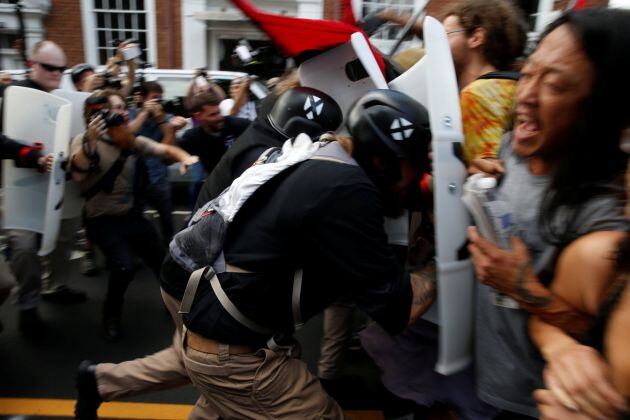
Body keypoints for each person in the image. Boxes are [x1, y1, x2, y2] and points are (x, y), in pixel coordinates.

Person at [73, 86, 341, 420]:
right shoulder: (269, 152)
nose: (120, 117)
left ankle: (98, 382)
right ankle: (100, 378)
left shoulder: (254, 135)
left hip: (195, 272)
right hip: (203, 277)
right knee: (224, 360)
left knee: (202, 361)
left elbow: (161, 149)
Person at [178, 89, 434, 418]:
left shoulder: (322, 157)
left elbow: (399, 198)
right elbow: (399, 311)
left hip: (217, 340)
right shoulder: (349, 190)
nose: (416, 178)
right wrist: (443, 265)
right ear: (382, 161)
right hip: (237, 357)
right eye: (412, 166)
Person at [466, 9, 630, 418]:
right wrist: (471, 177)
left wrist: (521, 286)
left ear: (602, 108)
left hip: (539, 400)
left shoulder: (605, 215)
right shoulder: (510, 148)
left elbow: (604, 333)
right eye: (530, 72)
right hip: (484, 372)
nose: (526, 94)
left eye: (554, 84)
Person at [69, 89, 198, 342]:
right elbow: (78, 173)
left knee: (164, 261)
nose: (120, 113)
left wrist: (184, 157)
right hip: (101, 220)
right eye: (112, 109)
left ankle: (174, 306)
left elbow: (161, 149)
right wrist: (91, 141)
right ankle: (111, 315)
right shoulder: (82, 140)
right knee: (124, 267)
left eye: (121, 107)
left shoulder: (128, 140)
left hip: (130, 217)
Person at [0, 40, 86, 335]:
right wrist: (33, 156)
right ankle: (28, 306)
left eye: (61, 69)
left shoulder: (67, 101)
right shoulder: (8, 97)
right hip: (20, 188)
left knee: (63, 241)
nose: (56, 74)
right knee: (24, 248)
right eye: (49, 67)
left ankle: (56, 285)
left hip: (60, 187)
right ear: (31, 64)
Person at [127, 81, 187, 245]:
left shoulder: (165, 119)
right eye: (154, 99)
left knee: (167, 217)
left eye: (160, 100)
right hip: (134, 179)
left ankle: (170, 247)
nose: (157, 104)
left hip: (158, 177)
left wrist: (164, 124)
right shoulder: (131, 115)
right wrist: (144, 112)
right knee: (134, 217)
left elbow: (166, 150)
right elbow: (128, 134)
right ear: (142, 99)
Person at [177, 92, 250, 174]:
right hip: (219, 183)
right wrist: (171, 130)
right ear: (198, 116)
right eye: (213, 115)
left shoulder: (238, 125)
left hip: (246, 177)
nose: (219, 118)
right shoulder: (192, 137)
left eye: (219, 112)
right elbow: (169, 157)